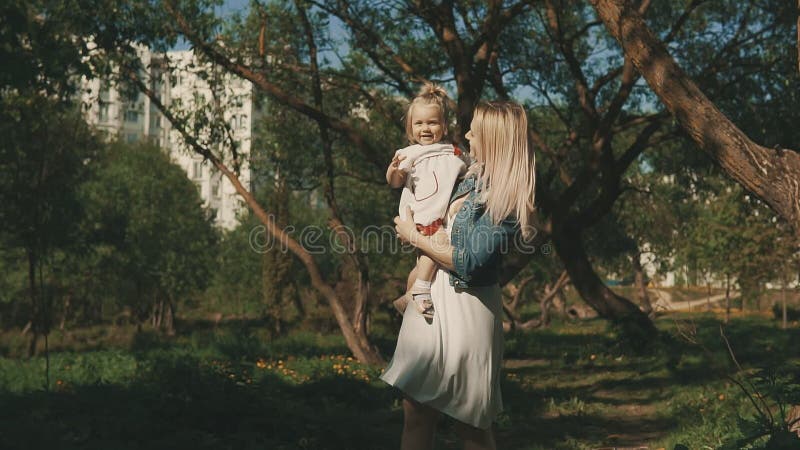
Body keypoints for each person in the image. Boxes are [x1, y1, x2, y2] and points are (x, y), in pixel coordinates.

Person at [382, 101, 537, 450]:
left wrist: (414, 236)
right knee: (416, 412)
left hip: (468, 306)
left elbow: (470, 261)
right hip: (430, 298)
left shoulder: (505, 197)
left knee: (470, 423)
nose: (466, 134)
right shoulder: (465, 175)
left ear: (493, 138)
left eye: (474, 130)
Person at [386, 83, 467, 321]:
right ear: (411, 128)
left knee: (425, 259)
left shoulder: (453, 151)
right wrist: (393, 170)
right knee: (436, 247)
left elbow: (471, 170)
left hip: (441, 215)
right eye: (419, 124)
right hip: (421, 215)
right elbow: (395, 182)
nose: (425, 128)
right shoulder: (409, 152)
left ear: (444, 125)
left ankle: (408, 294)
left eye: (432, 123)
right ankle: (420, 289)